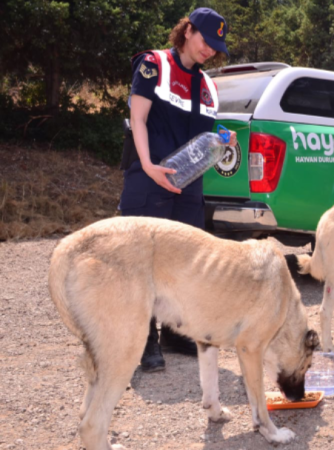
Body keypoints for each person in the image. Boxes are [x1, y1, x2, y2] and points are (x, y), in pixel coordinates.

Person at [120, 7, 237, 372]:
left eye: (216, 47)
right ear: (187, 31)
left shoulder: (208, 86)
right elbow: (137, 120)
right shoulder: (152, 65)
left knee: (184, 262)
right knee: (145, 262)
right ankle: (144, 340)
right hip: (149, 177)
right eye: (206, 41)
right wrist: (150, 168)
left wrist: (223, 141)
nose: (210, 51)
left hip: (187, 185)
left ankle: (174, 332)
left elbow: (202, 141)